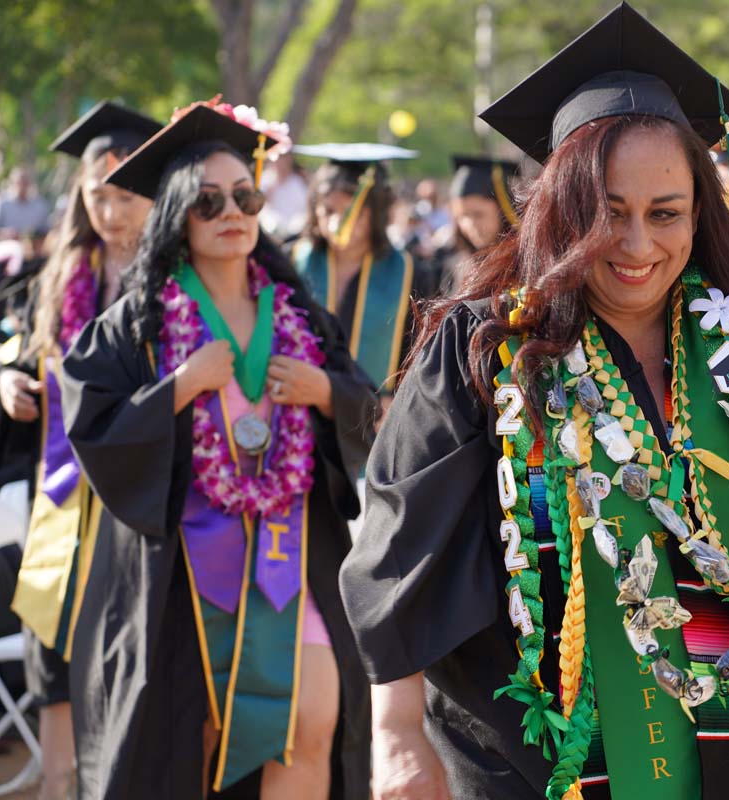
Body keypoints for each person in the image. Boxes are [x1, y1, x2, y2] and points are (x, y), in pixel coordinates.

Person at [340, 6, 729, 800]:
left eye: (665, 213)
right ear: (561, 210)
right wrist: (396, 735)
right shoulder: (487, 350)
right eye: (609, 212)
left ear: (700, 213)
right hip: (548, 754)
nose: (639, 246)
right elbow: (401, 550)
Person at [61, 100, 376, 798]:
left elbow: (367, 406)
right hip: (183, 575)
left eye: (245, 195)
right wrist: (177, 387)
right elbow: (94, 424)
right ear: (177, 213)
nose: (231, 211)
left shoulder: (298, 313)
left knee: (315, 719)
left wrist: (327, 391)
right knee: (195, 747)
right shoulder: (137, 325)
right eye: (207, 202)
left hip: (294, 558)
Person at [0, 100, 160, 800]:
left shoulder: (174, 282)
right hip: (62, 503)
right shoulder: (56, 278)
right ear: (80, 197)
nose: (112, 211)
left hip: (141, 506)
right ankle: (58, 787)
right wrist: (5, 386)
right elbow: (13, 359)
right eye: (98, 195)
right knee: (55, 655)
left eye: (125, 194)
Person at [292, 142, 431, 401]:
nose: (337, 223)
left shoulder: (410, 273)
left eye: (352, 212)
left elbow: (419, 355)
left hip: (374, 417)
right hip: (302, 408)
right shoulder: (294, 260)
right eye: (328, 211)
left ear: (376, 213)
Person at [431, 154, 521, 294]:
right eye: (461, 216)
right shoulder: (457, 268)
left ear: (503, 210)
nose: (470, 225)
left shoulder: (524, 262)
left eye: (478, 214)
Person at [0, 166, 52, 244]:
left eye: (25, 183)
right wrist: (4, 234)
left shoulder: (40, 205)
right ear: (11, 182)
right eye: (19, 183)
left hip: (32, 252)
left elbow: (47, 230)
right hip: (4, 249)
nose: (22, 187)